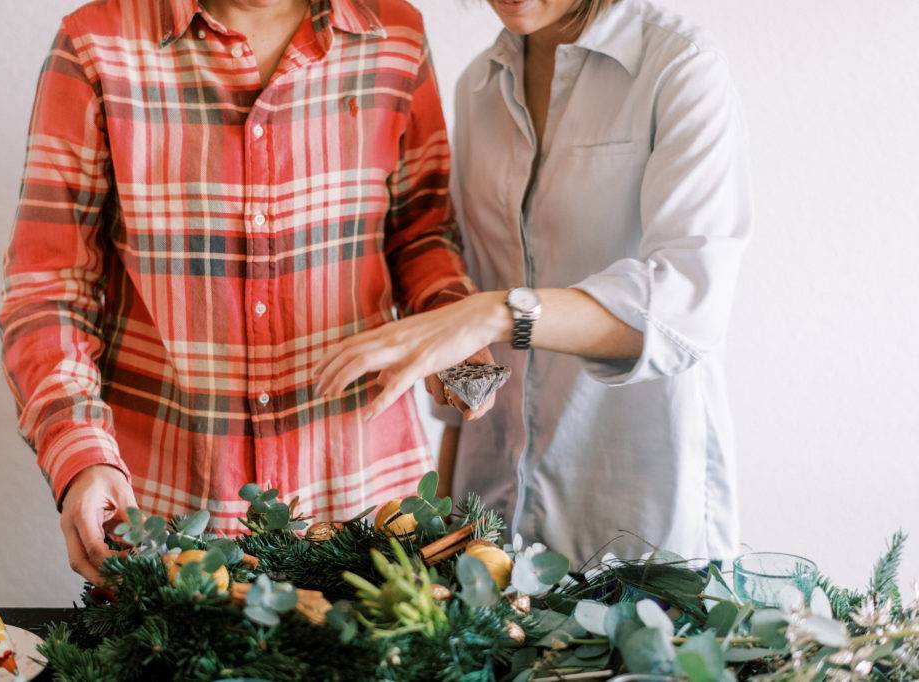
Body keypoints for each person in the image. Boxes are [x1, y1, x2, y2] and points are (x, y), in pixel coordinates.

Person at [0, 0, 492, 585]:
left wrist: (451, 332)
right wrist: (79, 456)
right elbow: (49, 287)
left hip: (365, 499)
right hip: (167, 509)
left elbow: (420, 232)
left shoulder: (395, 35)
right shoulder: (95, 44)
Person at [314, 0, 752, 565]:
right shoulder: (479, 85)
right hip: (488, 513)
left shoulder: (679, 67)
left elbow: (690, 304)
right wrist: (444, 512)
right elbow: (470, 296)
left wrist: (500, 312)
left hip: (636, 508)